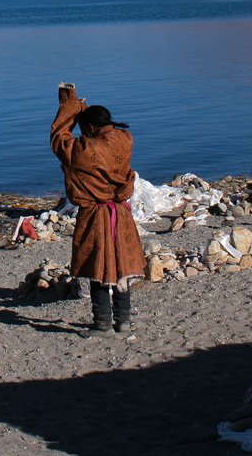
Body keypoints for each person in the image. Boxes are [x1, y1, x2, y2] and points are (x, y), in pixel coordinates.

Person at [50, 83, 147, 333]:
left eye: (84, 129)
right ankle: (123, 321)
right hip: (122, 213)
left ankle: (102, 323)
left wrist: (69, 108)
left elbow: (59, 139)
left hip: (96, 215)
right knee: (122, 265)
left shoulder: (86, 149)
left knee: (98, 267)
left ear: (90, 128)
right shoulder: (123, 140)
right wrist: (81, 107)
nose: (83, 133)